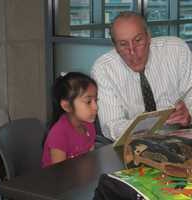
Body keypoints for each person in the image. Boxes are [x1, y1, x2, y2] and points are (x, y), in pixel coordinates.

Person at [91, 11, 192, 141]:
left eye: (138, 40)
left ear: (149, 36)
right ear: (115, 46)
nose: (132, 51)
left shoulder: (176, 50)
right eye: (123, 44)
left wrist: (188, 114)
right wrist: (147, 124)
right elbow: (111, 125)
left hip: (181, 136)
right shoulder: (103, 69)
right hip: (134, 144)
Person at [42, 72, 98, 167]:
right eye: (88, 102)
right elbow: (60, 174)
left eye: (96, 100)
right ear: (67, 106)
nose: (95, 107)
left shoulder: (89, 125)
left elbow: (90, 160)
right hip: (57, 180)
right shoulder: (59, 134)